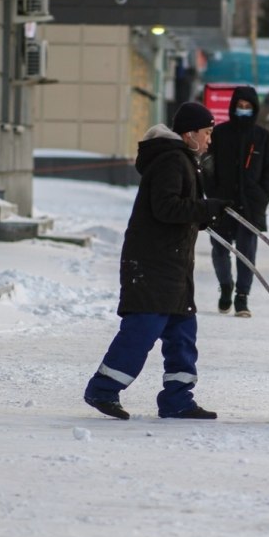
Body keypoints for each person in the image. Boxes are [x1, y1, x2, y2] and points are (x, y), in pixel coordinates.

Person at [83, 102, 230, 420]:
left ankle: (178, 399)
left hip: (173, 265)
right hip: (152, 264)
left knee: (182, 334)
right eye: (206, 133)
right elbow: (166, 208)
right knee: (142, 329)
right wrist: (206, 209)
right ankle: (103, 389)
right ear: (190, 133)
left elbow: (180, 208)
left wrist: (207, 214)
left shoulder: (184, 160)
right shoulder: (171, 161)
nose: (209, 140)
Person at [202, 85, 269, 318]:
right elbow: (207, 165)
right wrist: (212, 193)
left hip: (251, 205)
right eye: (240, 106)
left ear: (254, 109)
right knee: (219, 250)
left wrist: (262, 197)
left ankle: (242, 297)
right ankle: (226, 286)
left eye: (248, 107)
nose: (243, 110)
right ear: (233, 107)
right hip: (221, 203)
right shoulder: (219, 134)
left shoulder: (263, 137)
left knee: (247, 253)